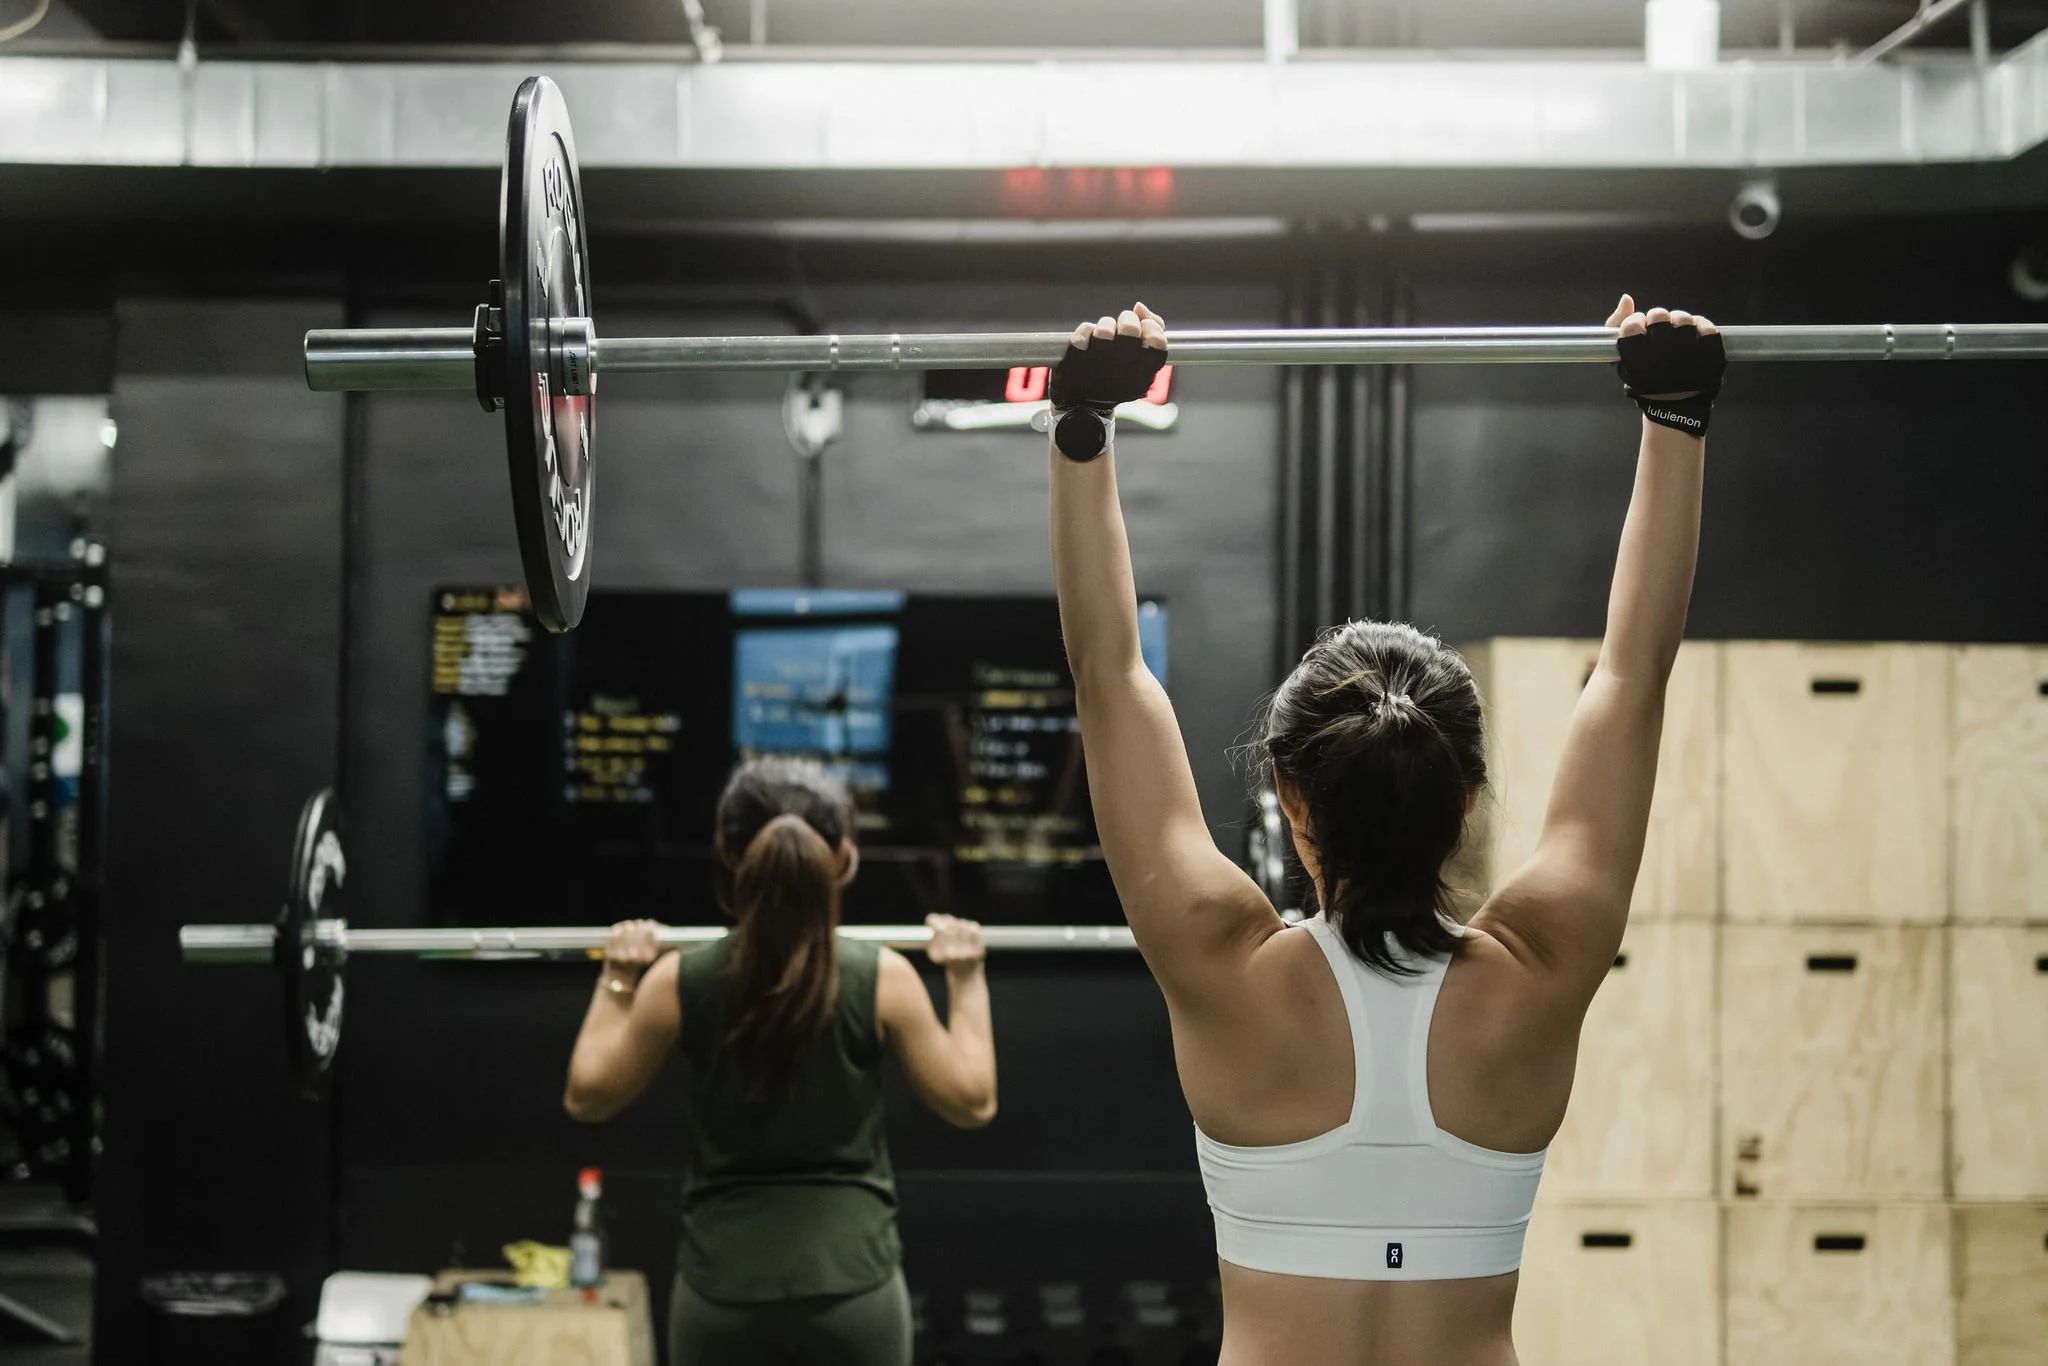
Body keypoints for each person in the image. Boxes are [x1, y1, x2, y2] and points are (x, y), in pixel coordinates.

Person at [1045, 296, 1719, 1365]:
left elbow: (1109, 675)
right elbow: (1630, 681)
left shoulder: (1221, 967)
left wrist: (1081, 425)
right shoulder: (1539, 969)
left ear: (1288, 797)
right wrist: (1673, 421)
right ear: (1464, 796)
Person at [562, 756, 999, 1366]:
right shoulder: (885, 979)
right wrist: (966, 976)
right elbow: (973, 1101)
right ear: (843, 858)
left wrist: (617, 975)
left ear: (727, 851)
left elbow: (588, 1095)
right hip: (854, 1294)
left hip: (721, 1294)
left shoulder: (676, 980)